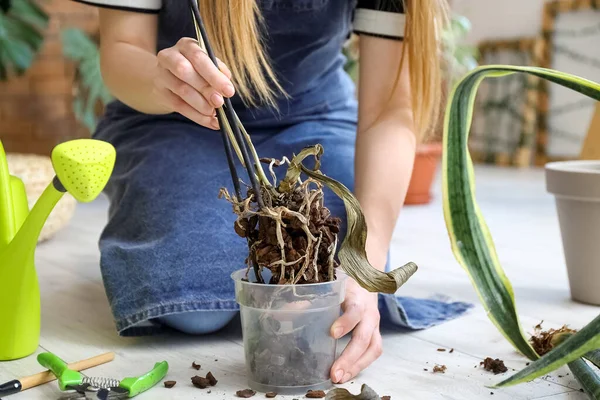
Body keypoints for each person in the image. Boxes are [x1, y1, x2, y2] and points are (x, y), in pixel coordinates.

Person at [72, 0, 470, 384]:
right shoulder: (169, 94)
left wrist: (366, 261)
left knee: (332, 267)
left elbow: (388, 108)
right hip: (173, 114)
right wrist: (165, 81)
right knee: (192, 308)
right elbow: (122, 50)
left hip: (316, 114)